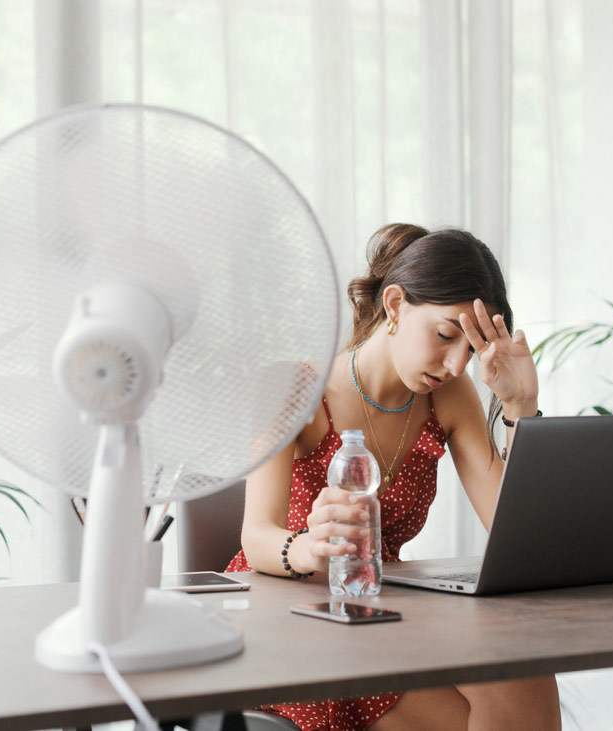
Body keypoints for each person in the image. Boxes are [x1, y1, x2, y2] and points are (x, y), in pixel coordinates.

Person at [226, 223, 561, 731]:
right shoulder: (294, 387)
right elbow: (257, 537)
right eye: (447, 335)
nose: (454, 365)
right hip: (291, 612)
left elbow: (517, 532)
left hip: (379, 609)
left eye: (470, 350)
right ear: (396, 305)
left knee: (520, 670)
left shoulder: (448, 397)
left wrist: (520, 403)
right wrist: (313, 549)